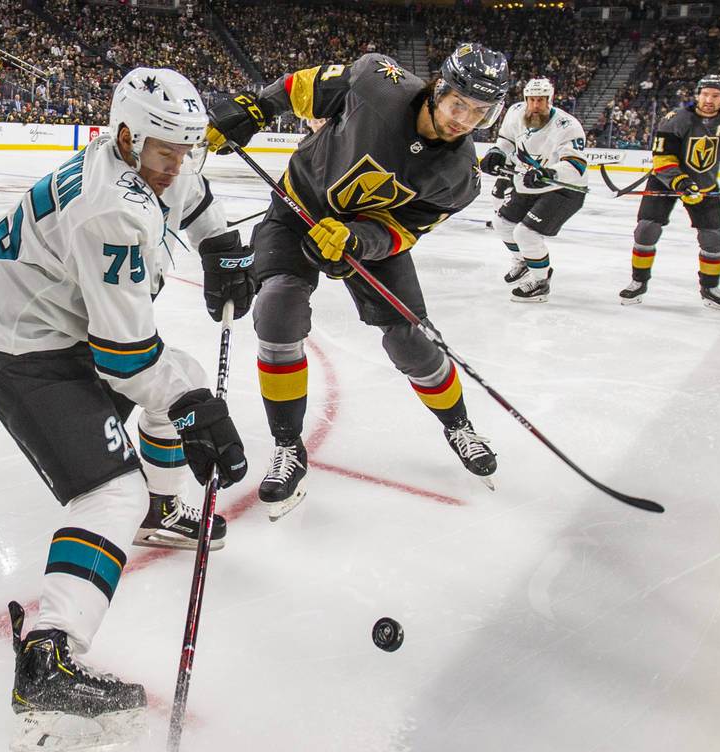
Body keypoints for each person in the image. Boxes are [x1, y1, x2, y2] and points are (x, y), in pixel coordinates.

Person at [0, 67, 253, 752]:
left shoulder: (144, 161)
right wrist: (194, 409)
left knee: (185, 384)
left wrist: (220, 242)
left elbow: (195, 192)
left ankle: (165, 512)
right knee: (112, 488)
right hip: (15, 342)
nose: (177, 166)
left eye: (186, 149)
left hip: (49, 325)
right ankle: (47, 660)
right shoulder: (111, 206)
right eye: (165, 152)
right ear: (125, 136)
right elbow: (126, 357)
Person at [203, 43, 508, 520]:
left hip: (363, 235)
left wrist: (357, 241)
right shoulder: (374, 83)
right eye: (458, 104)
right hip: (298, 209)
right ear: (438, 89)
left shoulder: (460, 177)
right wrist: (255, 107)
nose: (464, 120)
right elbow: (302, 87)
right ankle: (288, 446)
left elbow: (405, 229)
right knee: (277, 311)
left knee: (412, 340)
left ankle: (459, 425)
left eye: (479, 113)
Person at [618, 74, 720, 312]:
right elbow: (662, 158)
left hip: (704, 182)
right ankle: (638, 281)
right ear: (697, 95)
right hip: (664, 181)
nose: (709, 100)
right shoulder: (676, 119)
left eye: (715, 95)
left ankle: (710, 288)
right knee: (646, 229)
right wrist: (681, 183)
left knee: (713, 237)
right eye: (705, 94)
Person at [479, 77, 589, 302]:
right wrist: (497, 153)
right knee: (502, 223)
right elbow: (506, 140)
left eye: (541, 100)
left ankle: (540, 281)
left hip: (565, 188)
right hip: (529, 183)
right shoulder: (515, 112)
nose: (536, 105)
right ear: (525, 99)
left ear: (550, 99)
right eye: (532, 100)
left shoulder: (567, 126)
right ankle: (524, 262)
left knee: (525, 233)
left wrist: (548, 173)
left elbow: (575, 166)